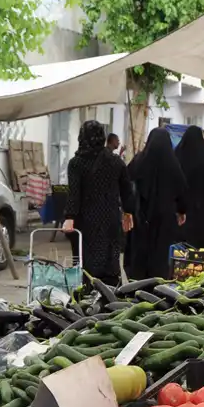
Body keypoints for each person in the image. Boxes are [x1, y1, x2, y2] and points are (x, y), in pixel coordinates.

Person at [63, 121, 133, 287]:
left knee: (85, 261)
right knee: (110, 260)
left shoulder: (76, 163)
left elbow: (74, 192)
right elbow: (127, 190)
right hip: (110, 218)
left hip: (86, 220)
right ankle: (110, 298)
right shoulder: (116, 162)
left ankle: (87, 296)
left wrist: (70, 216)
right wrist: (128, 212)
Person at [126, 128, 187, 279]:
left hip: (141, 215)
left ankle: (138, 281)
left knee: (140, 249)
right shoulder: (173, 163)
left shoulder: (139, 159)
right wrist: (181, 211)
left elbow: (126, 179)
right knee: (160, 251)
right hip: (164, 217)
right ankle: (159, 281)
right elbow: (181, 188)